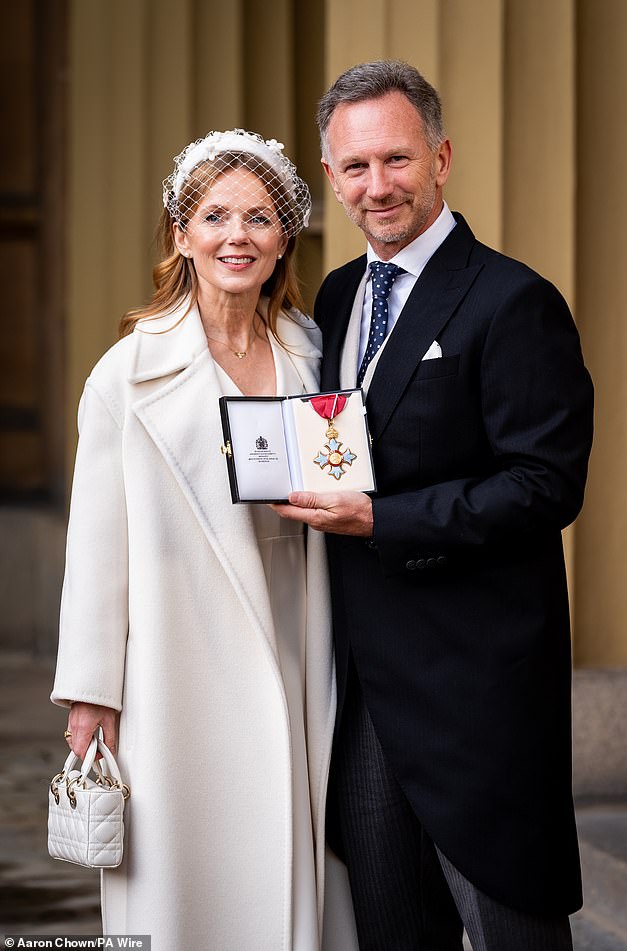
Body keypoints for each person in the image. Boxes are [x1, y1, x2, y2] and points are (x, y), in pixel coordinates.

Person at [273, 61, 594, 951]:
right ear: (330, 177)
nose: (378, 186)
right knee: (389, 923)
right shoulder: (334, 296)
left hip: (476, 687)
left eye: (397, 159)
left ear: (442, 157)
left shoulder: (513, 300)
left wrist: (385, 519)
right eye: (355, 167)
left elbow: (545, 484)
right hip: (366, 683)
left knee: (509, 928)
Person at [52, 129, 358, 951]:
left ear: (285, 235)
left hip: (294, 650)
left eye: (259, 217)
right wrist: (91, 691)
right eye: (214, 215)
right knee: (186, 890)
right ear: (181, 235)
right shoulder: (128, 372)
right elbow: (94, 545)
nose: (237, 236)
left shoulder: (311, 355)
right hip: (172, 670)